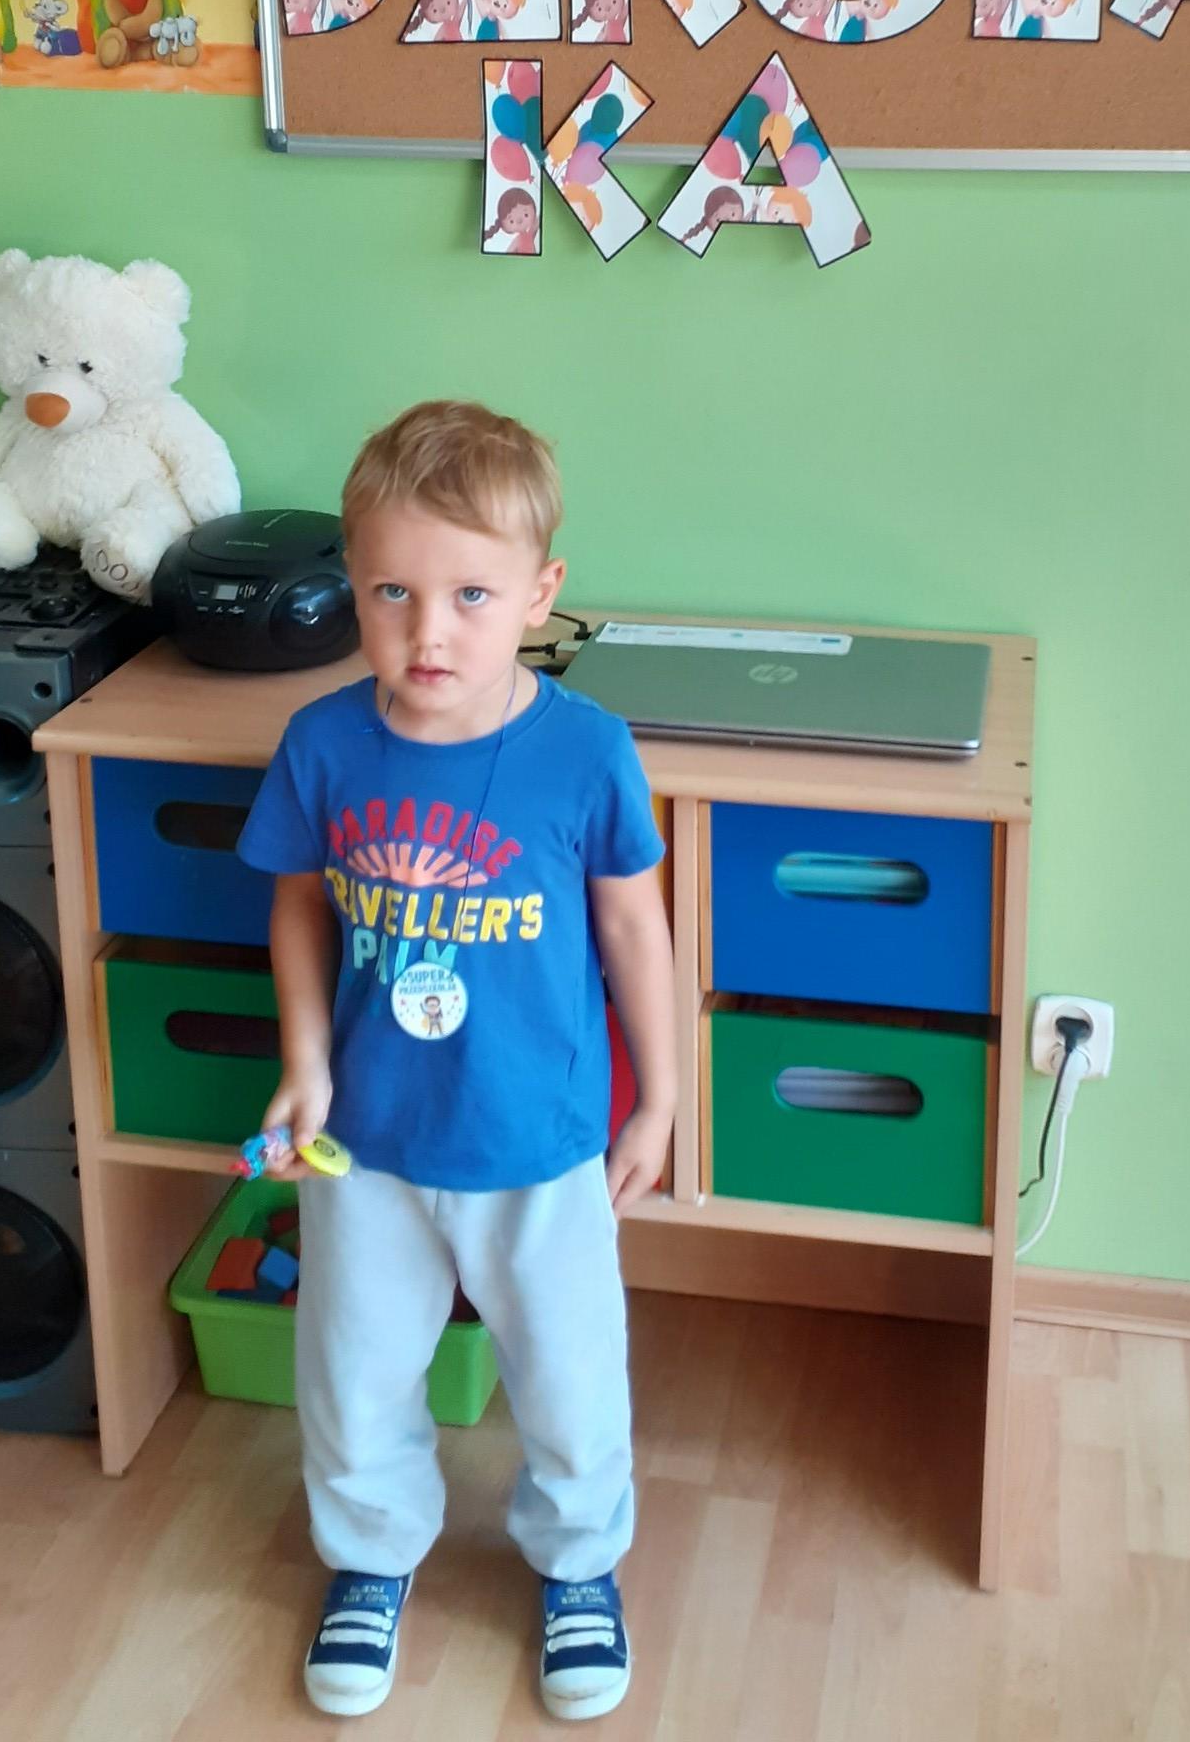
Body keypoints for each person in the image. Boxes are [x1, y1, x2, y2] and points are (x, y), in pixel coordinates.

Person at [239, 401, 674, 1722]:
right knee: (352, 1372)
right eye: (393, 593)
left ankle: (578, 1566)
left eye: (471, 595)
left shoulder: (586, 753)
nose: (429, 632)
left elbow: (634, 930)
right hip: (365, 1141)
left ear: (539, 592)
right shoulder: (324, 744)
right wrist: (305, 1060)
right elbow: (300, 905)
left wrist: (664, 1097)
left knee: (571, 1380)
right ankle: (372, 1557)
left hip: (540, 1145)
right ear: (353, 586)